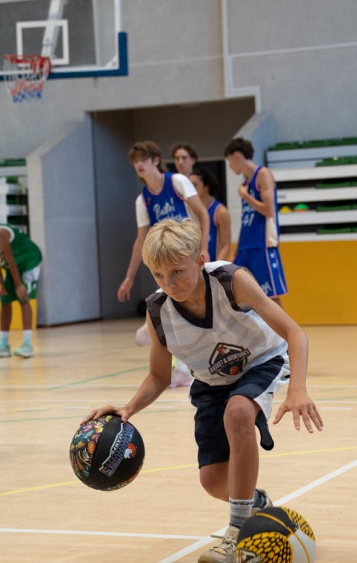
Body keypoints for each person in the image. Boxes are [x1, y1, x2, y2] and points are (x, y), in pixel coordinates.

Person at [84, 218, 323, 563]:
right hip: (211, 382)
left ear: (200, 260)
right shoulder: (158, 310)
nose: (169, 284)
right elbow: (159, 376)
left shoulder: (231, 280)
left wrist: (298, 389)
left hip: (261, 361)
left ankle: (236, 533)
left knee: (238, 413)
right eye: (159, 275)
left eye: (177, 272)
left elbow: (294, 332)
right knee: (213, 482)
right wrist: (128, 408)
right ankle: (257, 504)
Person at [118, 140, 210, 387]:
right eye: (135, 161)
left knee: (187, 309)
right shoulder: (143, 200)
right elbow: (141, 239)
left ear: (155, 160)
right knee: (177, 311)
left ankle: (153, 328)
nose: (138, 164)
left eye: (143, 159)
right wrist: (130, 276)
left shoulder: (177, 182)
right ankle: (181, 368)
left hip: (187, 255)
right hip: (166, 261)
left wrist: (203, 247)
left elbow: (203, 213)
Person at [224, 137, 287, 305]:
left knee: (271, 297)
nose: (230, 166)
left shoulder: (263, 174)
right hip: (245, 247)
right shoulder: (245, 183)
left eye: (230, 161)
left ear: (237, 156)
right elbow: (246, 220)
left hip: (262, 245)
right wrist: (237, 249)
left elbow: (269, 210)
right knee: (237, 295)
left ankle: (283, 324)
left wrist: (246, 196)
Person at [0, 223, 42, 359]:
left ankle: (27, 344)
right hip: (12, 265)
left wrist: (19, 285)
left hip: (28, 260)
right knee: (5, 300)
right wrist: (2, 287)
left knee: (23, 297)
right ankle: (3, 344)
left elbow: (10, 258)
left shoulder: (1, 234)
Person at [190, 166, 232, 261]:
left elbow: (226, 246)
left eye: (194, 185)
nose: (191, 189)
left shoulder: (220, 212)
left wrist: (215, 267)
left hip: (213, 264)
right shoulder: (189, 210)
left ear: (206, 187)